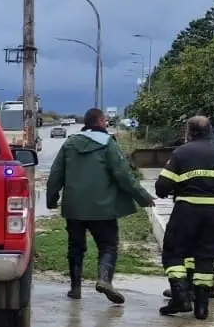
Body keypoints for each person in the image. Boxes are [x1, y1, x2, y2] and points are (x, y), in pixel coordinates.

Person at [45, 107, 154, 304]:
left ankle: (75, 288)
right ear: (101, 121)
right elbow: (124, 176)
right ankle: (104, 280)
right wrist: (143, 197)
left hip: (74, 208)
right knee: (108, 245)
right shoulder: (108, 145)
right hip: (103, 209)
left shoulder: (70, 144)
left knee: (75, 247)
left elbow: (55, 175)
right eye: (104, 120)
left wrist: (51, 200)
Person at [154, 116, 214, 319]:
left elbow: (162, 186)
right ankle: (201, 307)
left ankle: (180, 297)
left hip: (186, 211)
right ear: (210, 132)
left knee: (173, 253)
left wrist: (169, 190)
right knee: (205, 258)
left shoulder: (181, 153)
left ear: (189, 132)